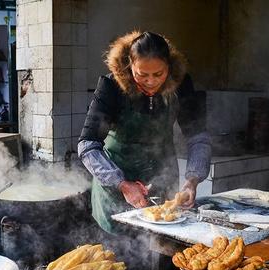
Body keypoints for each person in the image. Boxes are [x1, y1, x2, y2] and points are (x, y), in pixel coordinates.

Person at [78, 31, 211, 233]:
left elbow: (198, 137)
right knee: (120, 255)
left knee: (162, 252)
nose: (151, 82)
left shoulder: (181, 84)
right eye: (142, 74)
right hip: (117, 187)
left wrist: (193, 180)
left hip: (163, 181)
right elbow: (88, 145)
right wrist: (121, 183)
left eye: (159, 74)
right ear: (129, 66)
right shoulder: (111, 87)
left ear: (169, 67)